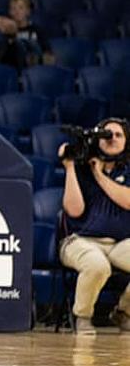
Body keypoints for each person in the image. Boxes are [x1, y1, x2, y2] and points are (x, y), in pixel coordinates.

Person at [58, 118, 130, 335]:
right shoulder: (81, 168)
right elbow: (74, 210)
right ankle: (83, 317)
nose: (112, 139)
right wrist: (70, 168)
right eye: (107, 135)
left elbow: (127, 200)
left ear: (127, 141)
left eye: (119, 135)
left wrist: (99, 174)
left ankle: (124, 312)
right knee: (97, 265)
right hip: (80, 240)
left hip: (119, 243)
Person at [1, 0, 54, 70]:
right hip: (16, 66)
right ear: (10, 12)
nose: (17, 11)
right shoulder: (7, 31)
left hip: (35, 66)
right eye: (14, 9)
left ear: (28, 11)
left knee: (32, 44)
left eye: (21, 8)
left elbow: (48, 52)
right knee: (18, 44)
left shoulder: (37, 30)